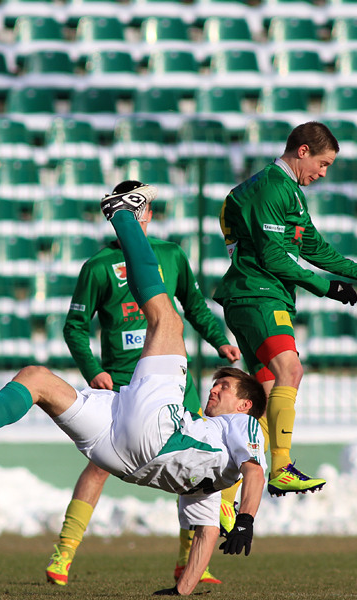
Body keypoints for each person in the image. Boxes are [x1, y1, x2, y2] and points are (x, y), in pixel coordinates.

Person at [0, 181, 267, 596]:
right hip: (120, 433)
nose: (215, 390)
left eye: (224, 388)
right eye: (218, 384)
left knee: (167, 320)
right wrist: (183, 591)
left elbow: (255, 470)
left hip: (151, 427)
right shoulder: (210, 477)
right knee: (37, 378)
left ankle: (122, 212)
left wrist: (246, 519)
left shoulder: (243, 427)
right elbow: (208, 531)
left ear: (246, 405)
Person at [52, 179, 242, 587]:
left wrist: (221, 340)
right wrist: (92, 371)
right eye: (134, 210)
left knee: (198, 462)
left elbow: (194, 307)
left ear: (149, 215)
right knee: (100, 465)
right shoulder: (99, 265)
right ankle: (64, 552)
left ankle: (188, 562)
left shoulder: (172, 255)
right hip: (121, 380)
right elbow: (74, 327)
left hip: (174, 380)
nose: (143, 215)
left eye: (142, 210)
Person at [214, 121, 357, 496]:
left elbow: (312, 246)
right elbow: (272, 255)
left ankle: (224, 492)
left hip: (259, 297)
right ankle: (281, 466)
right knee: (291, 370)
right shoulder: (270, 186)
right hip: (259, 295)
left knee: (265, 403)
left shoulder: (289, 192)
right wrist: (324, 285)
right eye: (324, 163)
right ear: (303, 151)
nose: (323, 172)